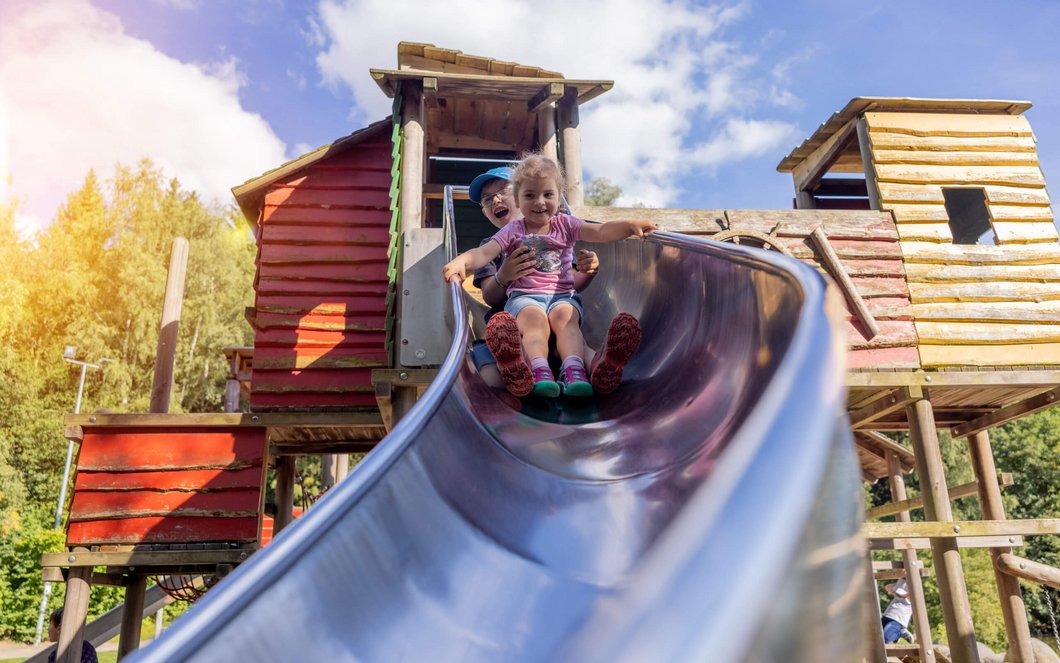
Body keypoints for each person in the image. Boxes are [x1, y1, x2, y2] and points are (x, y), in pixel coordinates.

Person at [444, 154, 655, 398]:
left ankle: (591, 370)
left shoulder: (565, 226)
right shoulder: (507, 235)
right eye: (488, 199)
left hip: (560, 301)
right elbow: (483, 260)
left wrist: (626, 228)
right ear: (520, 199)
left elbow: (599, 233)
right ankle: (533, 371)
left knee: (567, 320)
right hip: (522, 309)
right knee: (527, 330)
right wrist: (467, 262)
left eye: (547, 194)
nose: (539, 201)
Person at [465, 166, 602, 389]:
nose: (496, 200)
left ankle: (601, 369)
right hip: (509, 329)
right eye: (487, 199)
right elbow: (490, 296)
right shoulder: (490, 247)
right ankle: (514, 369)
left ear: (521, 195)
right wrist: (504, 275)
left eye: (503, 190)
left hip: (557, 324)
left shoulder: (555, 236)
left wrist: (589, 271)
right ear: (485, 212)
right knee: (489, 370)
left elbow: (573, 283)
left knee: (575, 340)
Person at [881, 578, 915, 644]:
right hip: (887, 615)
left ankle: (901, 633)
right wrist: (896, 593)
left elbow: (907, 596)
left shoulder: (913, 595)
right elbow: (887, 587)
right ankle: (895, 635)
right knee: (877, 636)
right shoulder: (901, 589)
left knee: (885, 639)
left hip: (898, 620)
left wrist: (900, 593)